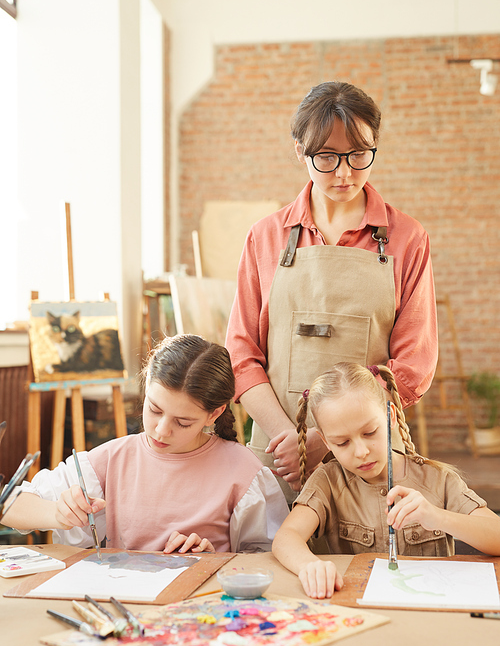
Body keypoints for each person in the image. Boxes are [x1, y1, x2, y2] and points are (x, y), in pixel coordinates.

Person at [226, 81, 438, 503]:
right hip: (279, 454)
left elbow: (414, 364)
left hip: (369, 452)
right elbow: (241, 354)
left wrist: (327, 436)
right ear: (300, 150)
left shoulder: (406, 238)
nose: (344, 173)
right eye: (326, 157)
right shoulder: (265, 237)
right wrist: (291, 436)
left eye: (359, 154)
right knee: (277, 560)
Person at [3, 334, 289, 553]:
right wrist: (57, 513)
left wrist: (213, 559)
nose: (161, 431)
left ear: (214, 413)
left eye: (183, 422)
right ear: (147, 383)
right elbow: (8, 505)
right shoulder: (111, 460)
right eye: (154, 409)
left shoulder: (243, 471)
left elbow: (268, 557)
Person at [272, 362, 500, 599]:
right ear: (326, 442)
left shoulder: (438, 480)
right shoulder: (328, 481)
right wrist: (308, 565)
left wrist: (437, 517)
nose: (361, 452)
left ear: (389, 416)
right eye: (342, 443)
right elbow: (286, 538)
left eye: (370, 432)